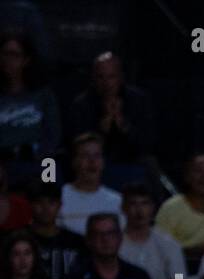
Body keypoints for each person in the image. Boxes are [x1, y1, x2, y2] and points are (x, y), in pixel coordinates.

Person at [67, 51, 155, 163]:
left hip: (134, 161)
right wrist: (102, 129)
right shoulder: (81, 105)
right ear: (93, 79)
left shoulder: (139, 100)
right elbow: (76, 146)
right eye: (100, 77)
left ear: (121, 77)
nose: (106, 83)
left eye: (111, 76)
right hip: (95, 164)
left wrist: (124, 125)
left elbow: (148, 142)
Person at [154, 153, 204, 257]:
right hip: (178, 268)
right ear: (187, 176)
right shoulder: (170, 207)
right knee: (178, 273)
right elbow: (160, 248)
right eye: (198, 171)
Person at [0, 30, 59, 159]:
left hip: (39, 161)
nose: (8, 60)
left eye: (14, 55)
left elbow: (53, 136)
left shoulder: (43, 95)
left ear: (26, 60)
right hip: (4, 165)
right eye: (5, 54)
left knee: (51, 171)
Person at [117, 182, 185, 279]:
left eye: (145, 203)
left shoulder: (169, 244)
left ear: (153, 207)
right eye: (133, 204)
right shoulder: (114, 243)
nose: (139, 211)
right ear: (123, 208)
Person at [58, 132, 122, 236]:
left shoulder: (117, 201)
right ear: (74, 162)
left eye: (97, 155)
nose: (92, 161)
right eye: (85, 155)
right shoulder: (59, 198)